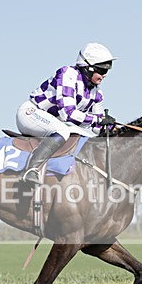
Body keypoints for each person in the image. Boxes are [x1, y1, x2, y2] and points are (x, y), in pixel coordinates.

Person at [15, 42, 116, 185]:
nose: (104, 75)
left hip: (52, 122)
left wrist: (111, 127)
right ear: (88, 68)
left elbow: (96, 127)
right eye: (102, 70)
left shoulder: (97, 93)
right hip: (31, 114)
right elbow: (67, 114)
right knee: (63, 131)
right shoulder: (68, 74)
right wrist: (98, 120)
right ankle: (31, 169)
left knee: (83, 136)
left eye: (107, 71)